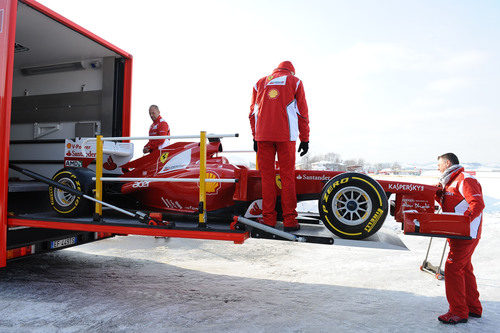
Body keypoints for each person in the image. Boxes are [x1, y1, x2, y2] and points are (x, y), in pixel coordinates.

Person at [249, 61, 310, 232]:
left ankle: (268, 219)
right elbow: (302, 113)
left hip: (263, 136)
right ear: (291, 71)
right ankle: (290, 221)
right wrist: (305, 138)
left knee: (267, 178)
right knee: (287, 178)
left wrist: (255, 136)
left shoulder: (259, 83)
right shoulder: (295, 82)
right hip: (286, 137)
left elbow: (252, 112)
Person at [436, 153, 485, 325]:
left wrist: (462, 223)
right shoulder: (449, 181)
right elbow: (452, 203)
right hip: (456, 234)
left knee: (453, 268)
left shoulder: (465, 179)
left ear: (448, 163)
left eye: (440, 164)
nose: (438, 168)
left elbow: (477, 204)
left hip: (466, 234)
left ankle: (458, 312)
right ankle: (473, 308)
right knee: (464, 268)